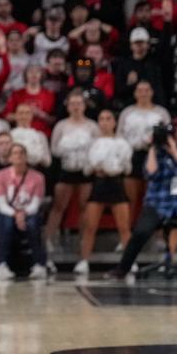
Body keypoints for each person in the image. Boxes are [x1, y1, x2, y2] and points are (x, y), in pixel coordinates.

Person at [107, 126, 177, 280]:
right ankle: (123, 268)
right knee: (140, 233)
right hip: (156, 203)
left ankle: (170, 262)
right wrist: (153, 148)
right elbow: (151, 173)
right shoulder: (155, 154)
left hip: (176, 203)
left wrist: (173, 150)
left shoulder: (176, 152)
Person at [78, 109, 132, 276]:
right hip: (99, 184)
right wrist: (97, 168)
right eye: (101, 119)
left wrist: (114, 168)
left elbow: (127, 168)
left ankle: (130, 261)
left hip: (116, 183)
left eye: (109, 118)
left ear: (114, 122)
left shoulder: (123, 143)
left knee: (124, 227)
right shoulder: (92, 143)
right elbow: (86, 168)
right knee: (90, 226)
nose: (105, 122)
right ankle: (84, 261)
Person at [45, 91, 100, 250]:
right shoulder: (61, 125)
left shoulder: (92, 126)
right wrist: (69, 149)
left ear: (84, 106)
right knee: (58, 205)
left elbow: (97, 148)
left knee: (84, 206)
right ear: (68, 106)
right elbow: (54, 149)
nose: (76, 107)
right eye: (72, 103)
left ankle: (83, 241)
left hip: (85, 171)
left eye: (79, 103)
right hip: (66, 169)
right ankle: (48, 240)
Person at [0, 143, 48, 281]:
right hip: (8, 211)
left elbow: (35, 203)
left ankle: (39, 264)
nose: (19, 156)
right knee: (6, 223)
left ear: (26, 157)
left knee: (33, 223)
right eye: (15, 153)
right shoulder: (0, 176)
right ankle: (1, 264)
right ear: (10, 158)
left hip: (28, 211)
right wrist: (16, 214)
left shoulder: (38, 177)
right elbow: (1, 204)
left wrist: (23, 214)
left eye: (22, 153)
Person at [117, 81, 171, 212]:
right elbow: (119, 136)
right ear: (135, 93)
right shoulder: (127, 112)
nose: (143, 93)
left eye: (146, 90)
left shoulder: (161, 113)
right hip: (132, 156)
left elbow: (168, 137)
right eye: (140, 90)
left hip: (155, 157)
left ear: (152, 92)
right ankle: (130, 230)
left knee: (153, 197)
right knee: (130, 197)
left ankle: (155, 229)